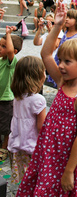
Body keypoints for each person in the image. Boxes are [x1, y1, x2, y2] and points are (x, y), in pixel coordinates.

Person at [17, 3, 77, 196]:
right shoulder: (62, 82)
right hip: (49, 147)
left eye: (67, 62)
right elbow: (45, 54)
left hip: (66, 155)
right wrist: (57, 26)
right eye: (60, 60)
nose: (60, 65)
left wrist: (70, 170)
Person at [8, 56, 46, 184]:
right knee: (36, 182)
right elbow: (42, 126)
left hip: (18, 144)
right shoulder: (38, 100)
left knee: (25, 181)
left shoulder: (18, 96)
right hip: (33, 147)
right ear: (39, 76)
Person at [0, 28, 23, 161]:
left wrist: (8, 34)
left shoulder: (11, 62)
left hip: (6, 99)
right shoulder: (1, 60)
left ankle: (5, 146)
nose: (0, 48)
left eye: (3, 46)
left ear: (14, 52)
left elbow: (9, 51)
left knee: (6, 126)